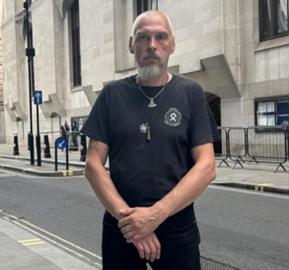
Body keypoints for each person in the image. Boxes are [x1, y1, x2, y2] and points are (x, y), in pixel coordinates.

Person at [82, 10, 219, 270]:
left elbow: (206, 166)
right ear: (131, 44)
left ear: (172, 44)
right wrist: (134, 225)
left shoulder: (191, 93)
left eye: (160, 37)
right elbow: (93, 165)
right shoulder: (112, 94)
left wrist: (155, 216)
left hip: (177, 227)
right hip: (121, 228)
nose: (152, 45)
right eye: (143, 38)